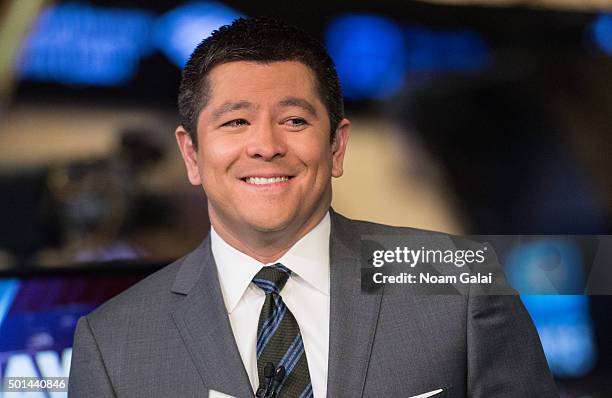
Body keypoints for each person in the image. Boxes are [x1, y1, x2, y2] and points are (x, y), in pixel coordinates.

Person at [68, 18, 558, 398]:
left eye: (294, 119)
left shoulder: (458, 282)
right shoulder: (111, 341)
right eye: (236, 121)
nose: (265, 145)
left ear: (336, 146)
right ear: (192, 154)